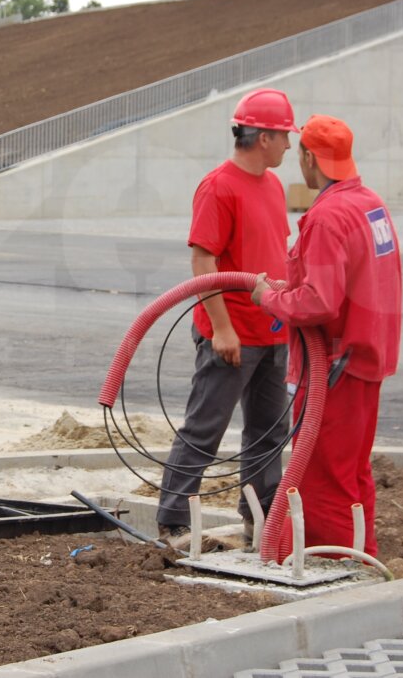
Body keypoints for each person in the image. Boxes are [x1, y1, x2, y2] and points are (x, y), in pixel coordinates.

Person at [251, 114, 402, 556]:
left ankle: (330, 564)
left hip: (334, 367)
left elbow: (320, 302)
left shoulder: (328, 216)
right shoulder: (369, 203)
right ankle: (362, 553)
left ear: (309, 158)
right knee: (353, 473)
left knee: (322, 478)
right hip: (365, 360)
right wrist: (290, 290)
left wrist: (269, 298)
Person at [156, 88, 297, 542]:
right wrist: (222, 328)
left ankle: (261, 520)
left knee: (268, 434)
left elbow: (278, 252)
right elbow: (203, 261)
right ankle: (173, 523)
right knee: (205, 427)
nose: (289, 146)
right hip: (232, 333)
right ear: (263, 138)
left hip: (273, 332)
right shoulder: (219, 186)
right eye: (283, 137)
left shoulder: (273, 186)